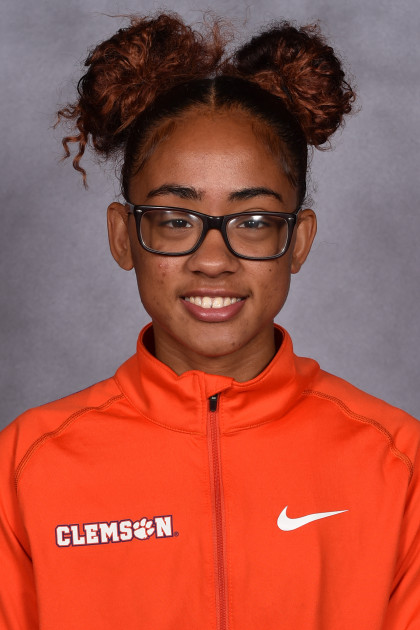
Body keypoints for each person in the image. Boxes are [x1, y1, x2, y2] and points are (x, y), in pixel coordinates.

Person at [0, 12, 419, 630]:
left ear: (298, 241)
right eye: (175, 219)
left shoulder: (397, 463)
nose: (214, 260)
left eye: (254, 221)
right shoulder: (27, 466)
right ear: (123, 236)